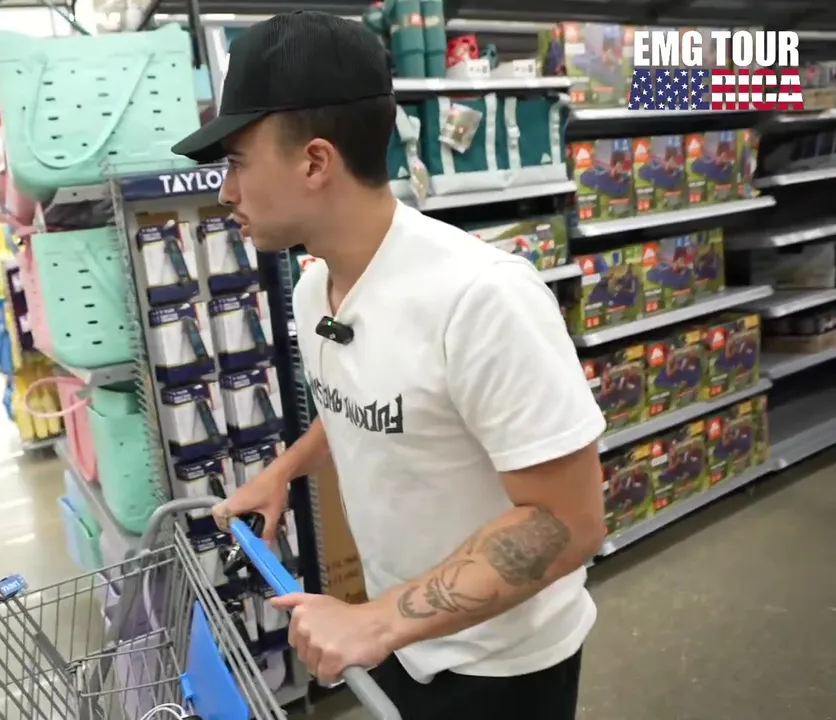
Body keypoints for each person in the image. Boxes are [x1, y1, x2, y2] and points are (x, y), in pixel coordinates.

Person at [171, 11, 607, 720]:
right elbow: (371, 401)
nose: (226, 191)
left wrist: (374, 622)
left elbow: (569, 521)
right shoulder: (317, 285)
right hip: (402, 638)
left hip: (500, 663)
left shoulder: (481, 299)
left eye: (239, 162)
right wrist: (284, 470)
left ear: (315, 162)